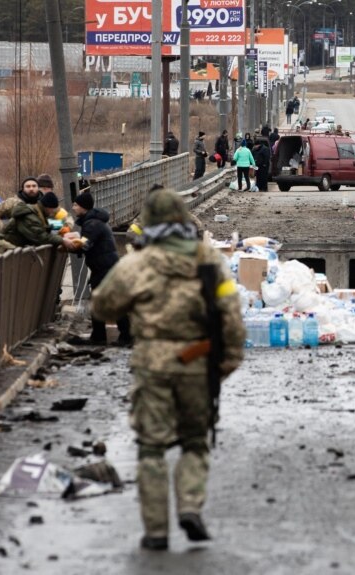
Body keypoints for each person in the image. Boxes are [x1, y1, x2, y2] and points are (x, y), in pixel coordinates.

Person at [91, 188, 245, 552]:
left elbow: (102, 307)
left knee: (151, 448)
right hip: (197, 359)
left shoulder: (138, 262)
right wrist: (226, 362)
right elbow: (231, 316)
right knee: (195, 441)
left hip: (152, 364)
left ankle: (156, 530)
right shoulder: (209, 261)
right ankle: (190, 506)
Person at [68, 192, 132, 346]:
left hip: (105, 268)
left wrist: (67, 246)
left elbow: (85, 245)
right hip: (105, 267)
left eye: (76, 205)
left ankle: (120, 336)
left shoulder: (92, 224)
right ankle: (104, 335)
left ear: (83, 207)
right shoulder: (93, 221)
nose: (73, 207)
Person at [0, 187, 65, 249]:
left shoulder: (41, 214)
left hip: (15, 251)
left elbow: (49, 228)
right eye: (53, 209)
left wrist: (63, 232)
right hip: (6, 249)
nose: (53, 212)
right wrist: (62, 240)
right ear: (47, 207)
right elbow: (40, 237)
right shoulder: (30, 216)